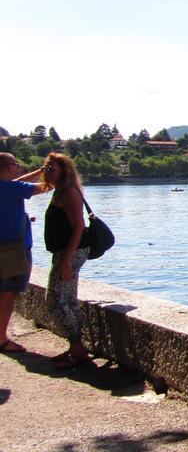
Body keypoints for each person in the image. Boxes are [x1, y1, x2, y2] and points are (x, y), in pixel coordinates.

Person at [38, 153, 91, 367]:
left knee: (56, 301)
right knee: (66, 300)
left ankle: (78, 350)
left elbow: (79, 226)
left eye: (51, 168)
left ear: (64, 171)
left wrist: (67, 260)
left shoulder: (69, 193)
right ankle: (76, 348)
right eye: (45, 168)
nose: (46, 171)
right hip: (64, 253)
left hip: (70, 253)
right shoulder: (59, 191)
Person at [0, 152, 49, 353]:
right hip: (12, 252)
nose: (19, 167)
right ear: (7, 167)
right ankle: (1, 339)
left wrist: (39, 172)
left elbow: (17, 183)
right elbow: (46, 187)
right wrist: (57, 174)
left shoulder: (7, 187)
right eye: (15, 164)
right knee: (8, 294)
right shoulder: (12, 189)